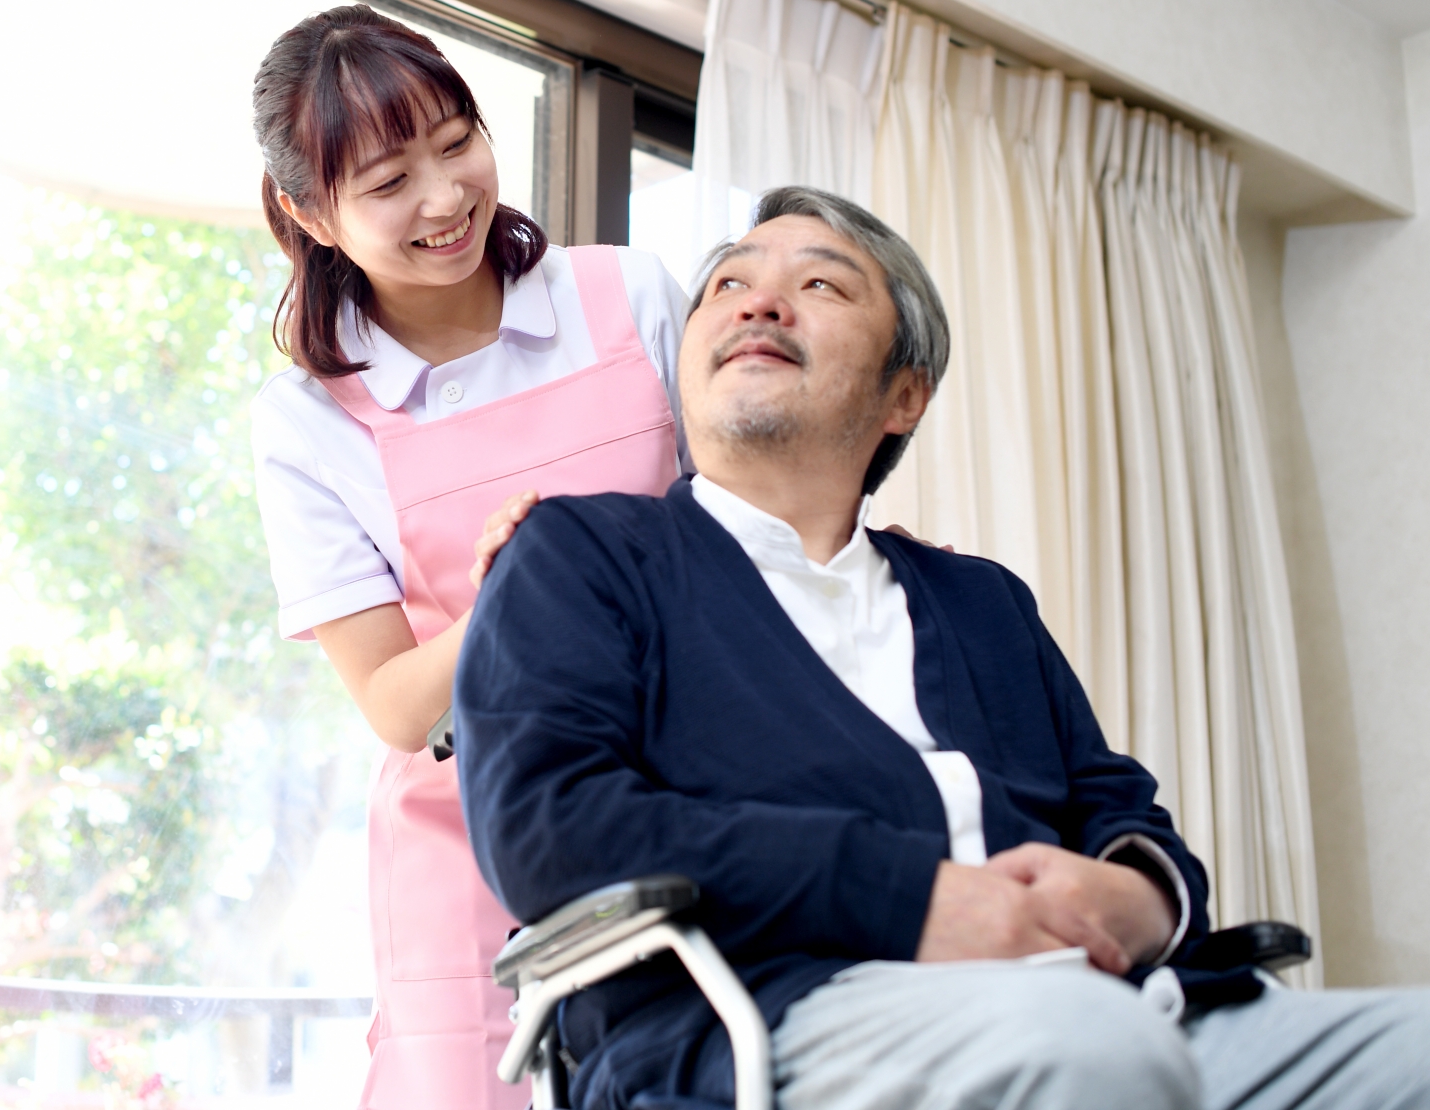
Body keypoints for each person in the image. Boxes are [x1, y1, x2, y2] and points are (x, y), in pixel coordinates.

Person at [455, 185, 1430, 1110]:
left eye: (821, 284)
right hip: (777, 1007)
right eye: (729, 283)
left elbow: (1118, 804)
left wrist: (1142, 896)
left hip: (1124, 1001)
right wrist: (910, 896)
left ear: (905, 395)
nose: (760, 303)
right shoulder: (581, 554)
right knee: (1088, 1048)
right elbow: (550, 823)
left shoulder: (982, 602)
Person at [247, 4, 691, 1110]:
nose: (446, 198)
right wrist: (516, 595)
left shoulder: (628, 298)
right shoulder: (309, 419)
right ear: (310, 212)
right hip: (466, 831)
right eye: (390, 179)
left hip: (683, 777)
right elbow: (397, 703)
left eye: (458, 142)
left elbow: (737, 538)